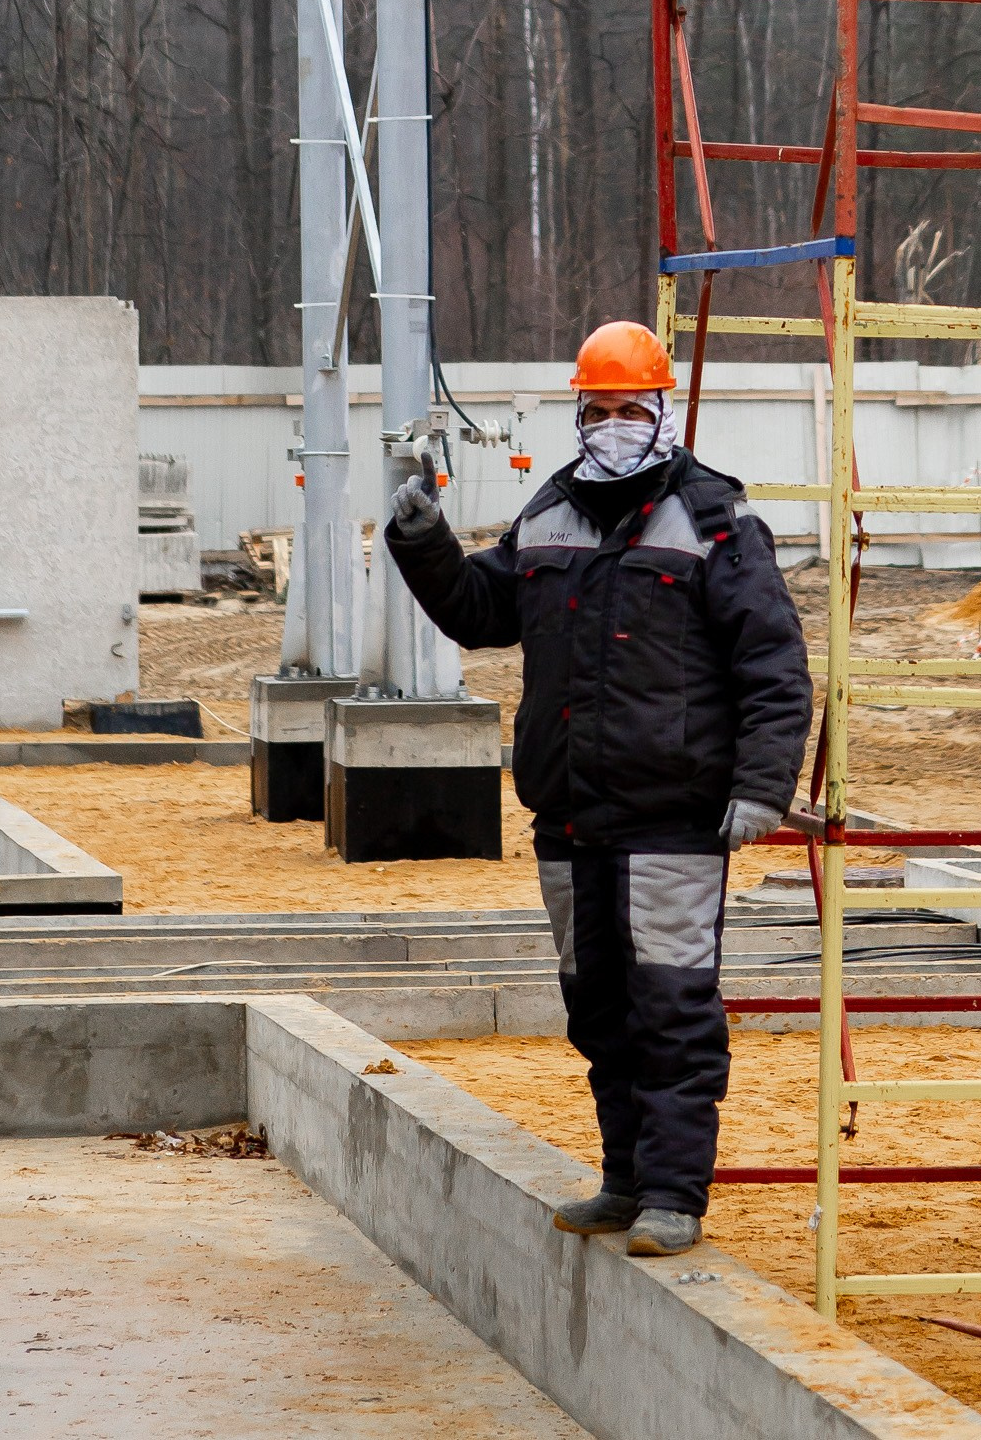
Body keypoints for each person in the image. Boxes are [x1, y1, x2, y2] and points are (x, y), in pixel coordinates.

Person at [384, 318, 813, 1259]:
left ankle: (672, 1194)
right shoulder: (549, 513)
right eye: (600, 408)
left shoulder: (713, 520)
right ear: (580, 411)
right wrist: (424, 543)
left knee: (671, 1004)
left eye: (632, 407)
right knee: (599, 1004)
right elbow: (481, 611)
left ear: (664, 408)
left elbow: (774, 666)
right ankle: (624, 1179)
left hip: (674, 818)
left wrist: (762, 787)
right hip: (572, 817)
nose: (616, 423)